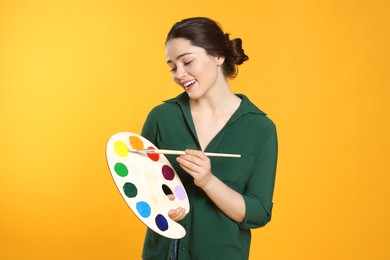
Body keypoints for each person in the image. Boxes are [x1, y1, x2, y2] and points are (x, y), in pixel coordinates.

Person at [141, 17, 278, 260]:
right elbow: (140, 185)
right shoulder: (161, 118)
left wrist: (207, 181)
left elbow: (258, 213)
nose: (179, 74)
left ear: (218, 56)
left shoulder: (260, 128)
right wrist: (165, 201)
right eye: (172, 67)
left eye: (187, 61)